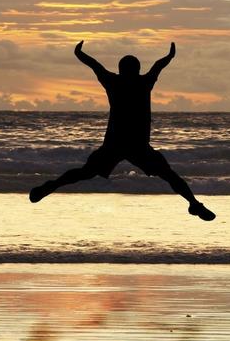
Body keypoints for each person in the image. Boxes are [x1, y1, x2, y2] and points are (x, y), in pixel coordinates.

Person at [29, 41, 216, 221]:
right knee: (168, 174)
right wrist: (170, 55)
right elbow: (158, 65)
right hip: (130, 145)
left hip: (122, 144)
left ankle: (49, 187)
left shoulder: (114, 81)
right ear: (137, 69)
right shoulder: (143, 82)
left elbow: (96, 65)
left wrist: (80, 54)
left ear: (121, 70)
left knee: (86, 172)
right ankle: (194, 204)